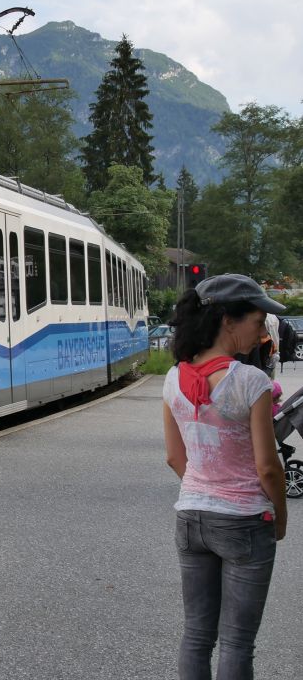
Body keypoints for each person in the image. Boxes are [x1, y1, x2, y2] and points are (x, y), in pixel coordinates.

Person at [162, 273, 288, 679]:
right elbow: (268, 467)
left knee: (197, 634)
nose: (262, 330)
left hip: (191, 518)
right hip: (246, 522)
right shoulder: (251, 381)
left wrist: (205, 487)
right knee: (236, 641)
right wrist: (280, 516)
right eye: (257, 319)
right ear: (228, 320)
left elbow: (173, 457)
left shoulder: (173, 378)